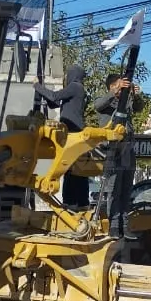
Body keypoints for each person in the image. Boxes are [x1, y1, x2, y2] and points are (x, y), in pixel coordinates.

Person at [93, 73, 142, 241]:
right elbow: (97, 105)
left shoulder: (126, 102)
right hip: (112, 150)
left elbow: (138, 109)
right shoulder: (106, 101)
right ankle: (114, 226)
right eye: (119, 86)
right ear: (112, 86)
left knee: (126, 188)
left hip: (127, 149)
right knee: (114, 189)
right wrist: (115, 93)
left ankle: (124, 224)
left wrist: (136, 96)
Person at [33, 65, 89, 209]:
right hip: (72, 133)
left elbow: (55, 96)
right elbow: (55, 102)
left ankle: (73, 202)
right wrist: (44, 92)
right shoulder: (77, 89)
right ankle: (76, 202)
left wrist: (37, 86)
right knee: (72, 169)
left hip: (74, 133)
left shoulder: (75, 87)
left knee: (73, 170)